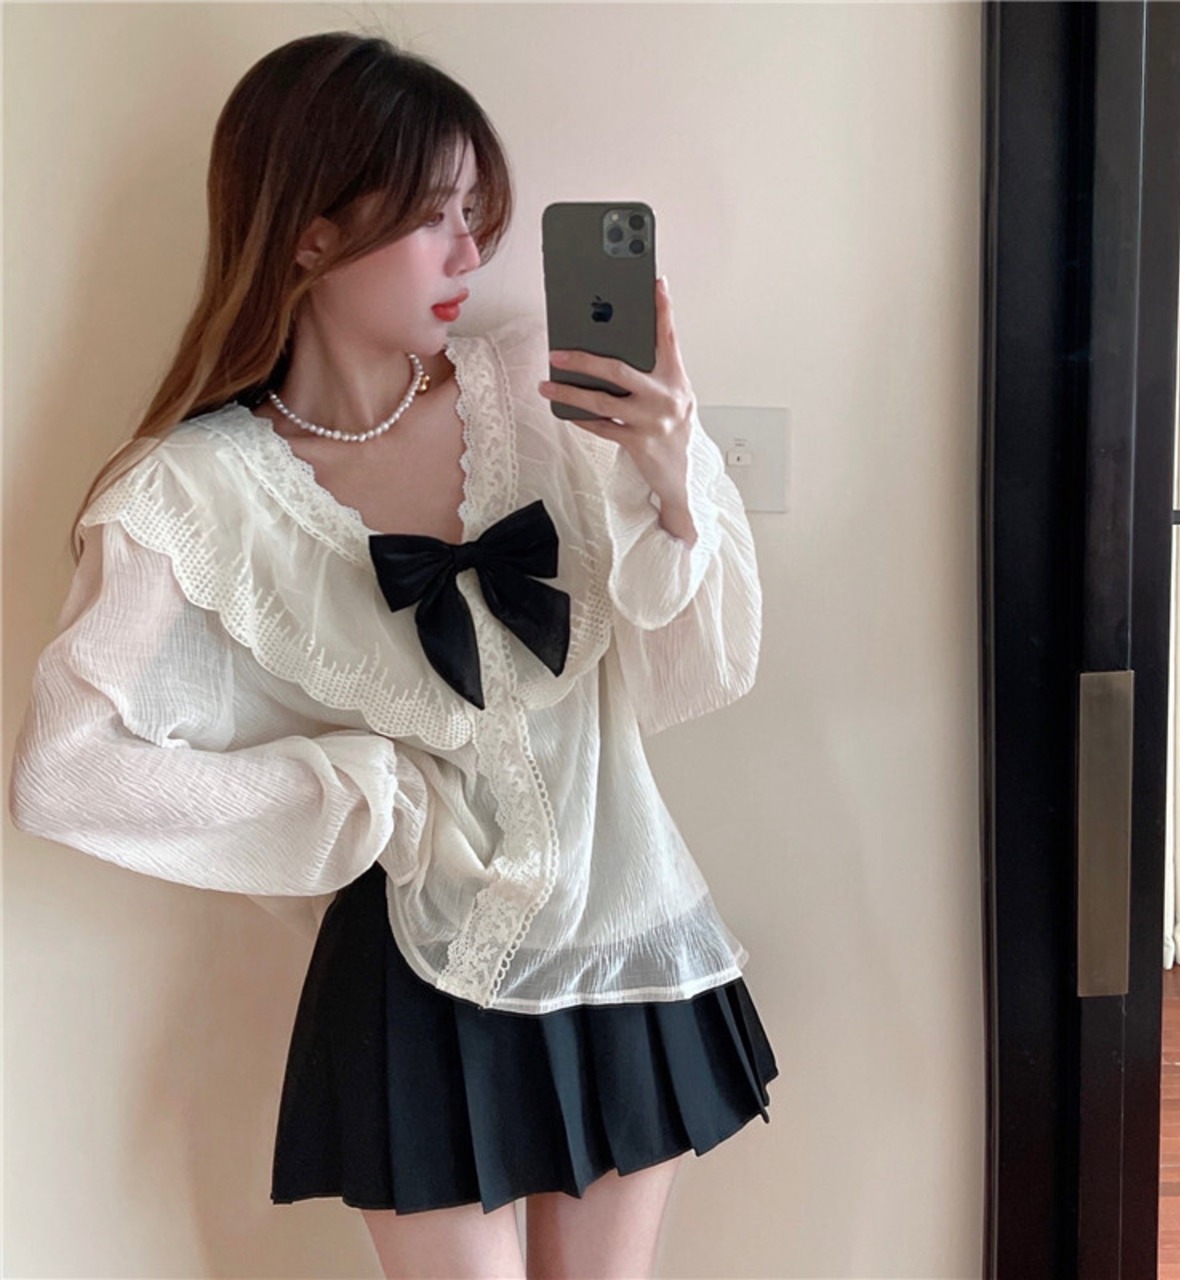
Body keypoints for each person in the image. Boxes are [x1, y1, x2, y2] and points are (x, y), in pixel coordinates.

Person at [7, 29, 777, 1280]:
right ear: (310, 234)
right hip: (420, 967)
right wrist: (359, 786)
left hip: (623, 931)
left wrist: (672, 473)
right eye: (434, 217)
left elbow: (696, 664)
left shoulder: (536, 389)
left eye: (478, 216)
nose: (470, 254)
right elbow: (62, 772)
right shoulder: (193, 494)